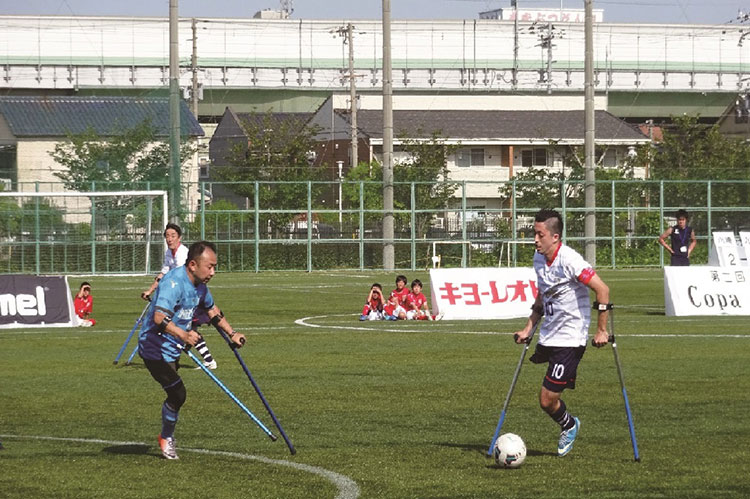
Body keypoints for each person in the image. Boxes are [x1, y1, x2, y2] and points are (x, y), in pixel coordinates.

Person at [512, 209, 610, 457]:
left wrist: (601, 330)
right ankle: (568, 423)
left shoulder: (571, 260)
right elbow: (542, 295)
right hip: (549, 335)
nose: (535, 239)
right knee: (547, 399)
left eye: (539, 234)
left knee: (546, 399)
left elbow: (602, 289)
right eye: (534, 233)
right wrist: (528, 327)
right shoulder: (538, 259)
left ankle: (569, 425)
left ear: (555, 236)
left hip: (570, 338)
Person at [137, 240, 245, 460]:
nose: (213, 272)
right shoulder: (173, 283)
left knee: (175, 395)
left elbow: (212, 310)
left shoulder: (200, 286)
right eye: (210, 266)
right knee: (178, 393)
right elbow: (159, 317)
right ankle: (166, 438)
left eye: (215, 267)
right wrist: (184, 335)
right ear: (193, 265)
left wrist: (232, 333)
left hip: (172, 348)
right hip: (153, 348)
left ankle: (166, 435)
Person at [141, 223, 217, 370]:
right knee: (186, 331)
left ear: (179, 238)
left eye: (173, 236)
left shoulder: (183, 254)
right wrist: (150, 291)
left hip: (188, 297)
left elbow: (186, 278)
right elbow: (163, 274)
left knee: (188, 330)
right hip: (174, 297)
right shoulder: (169, 253)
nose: (169, 239)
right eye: (167, 236)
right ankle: (206, 359)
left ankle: (209, 360)